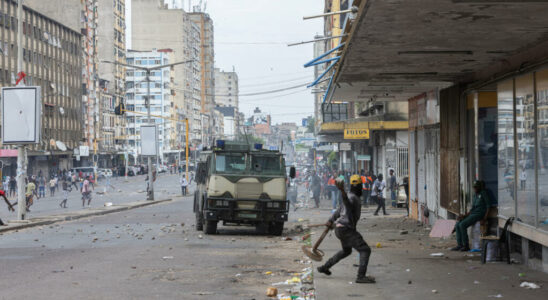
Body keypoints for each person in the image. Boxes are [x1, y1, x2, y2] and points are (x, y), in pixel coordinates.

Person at [317, 175, 375, 284]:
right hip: (346, 229)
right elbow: (347, 204)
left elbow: (339, 211)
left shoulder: (350, 196)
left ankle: (325, 267)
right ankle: (361, 276)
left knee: (346, 251)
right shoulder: (352, 198)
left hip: (340, 229)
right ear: (360, 187)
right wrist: (342, 191)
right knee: (365, 250)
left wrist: (330, 220)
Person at [451, 181, 491, 252]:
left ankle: (465, 245)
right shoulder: (475, 195)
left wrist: (485, 218)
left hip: (479, 214)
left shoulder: (483, 193)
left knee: (462, 225)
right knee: (458, 224)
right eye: (474, 187)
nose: (475, 189)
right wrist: (464, 215)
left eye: (476, 187)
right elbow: (472, 208)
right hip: (473, 213)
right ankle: (459, 245)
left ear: (480, 187)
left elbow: (488, 206)